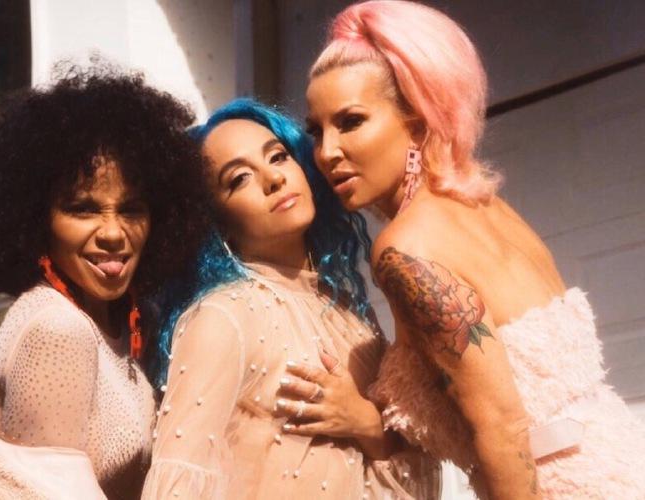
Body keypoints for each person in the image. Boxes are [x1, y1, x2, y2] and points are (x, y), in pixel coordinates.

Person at [303, 1, 645, 499]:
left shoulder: (404, 251)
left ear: (417, 121)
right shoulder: (485, 205)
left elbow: (504, 429)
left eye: (350, 121)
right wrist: (365, 419)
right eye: (316, 130)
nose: (327, 151)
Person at [0, 65, 211, 500]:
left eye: (131, 209)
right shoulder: (57, 331)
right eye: (83, 209)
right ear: (36, 220)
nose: (113, 232)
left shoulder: (129, 321)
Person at [141, 98, 440, 500]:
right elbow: (178, 484)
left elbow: (419, 477)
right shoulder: (223, 316)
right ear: (215, 224)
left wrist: (366, 423)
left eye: (278, 156)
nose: (273, 179)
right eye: (239, 179)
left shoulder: (351, 314)